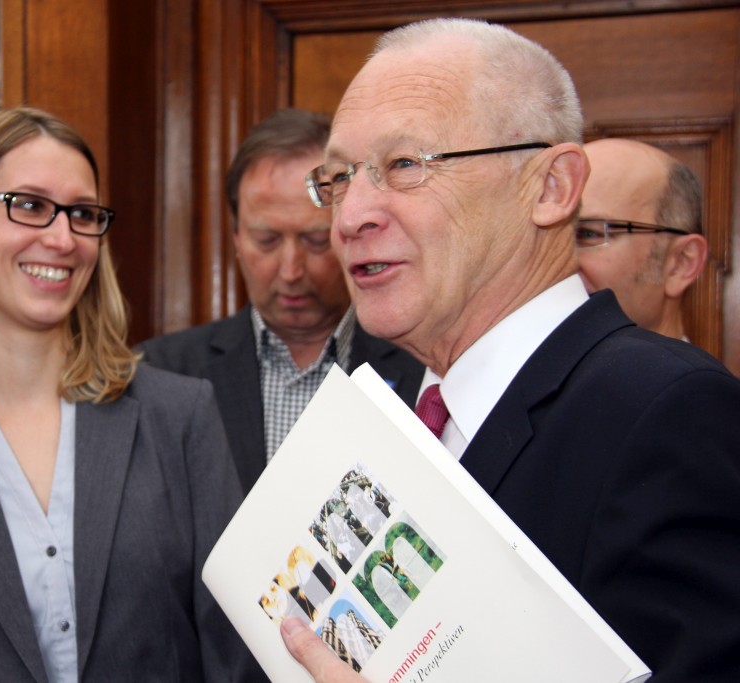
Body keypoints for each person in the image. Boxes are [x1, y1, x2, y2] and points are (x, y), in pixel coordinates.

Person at [281, 18, 740, 683]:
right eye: (339, 178)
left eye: (404, 165)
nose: (350, 216)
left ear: (551, 188)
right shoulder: (385, 406)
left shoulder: (668, 411)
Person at [0, 107, 258, 682]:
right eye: (30, 206)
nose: (63, 239)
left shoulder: (180, 419)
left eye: (82, 214)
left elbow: (237, 657)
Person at [138, 108, 423, 493]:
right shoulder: (161, 373)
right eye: (267, 241)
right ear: (236, 238)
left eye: (315, 240)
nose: (291, 270)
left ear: (347, 231)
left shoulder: (424, 369)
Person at [576, 137, 708, 339]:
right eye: (548, 238)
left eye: (588, 234)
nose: (555, 261)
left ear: (680, 263)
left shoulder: (699, 372)